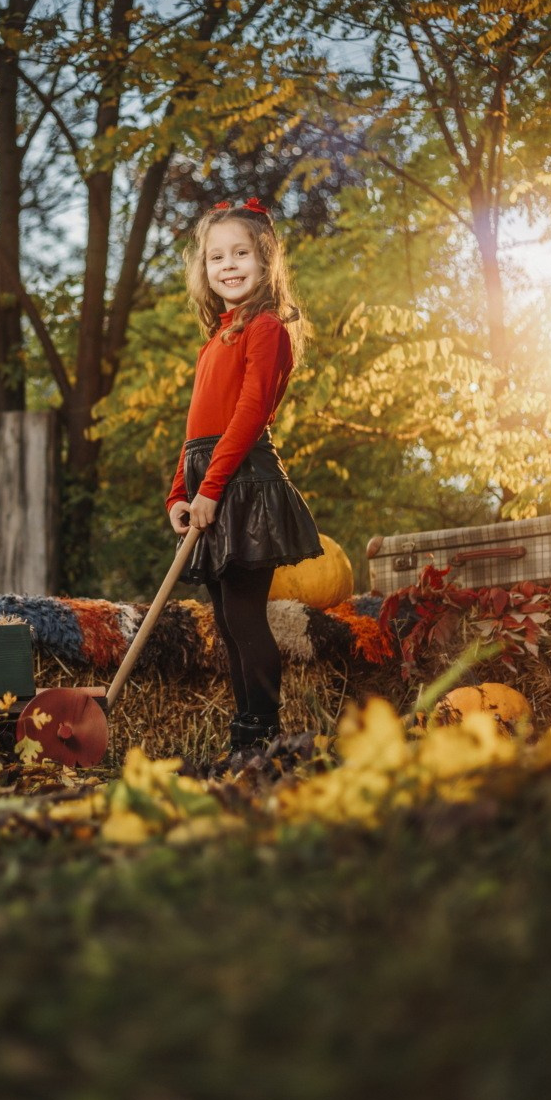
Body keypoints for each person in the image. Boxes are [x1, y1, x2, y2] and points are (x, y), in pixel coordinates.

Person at [166, 197, 322, 761]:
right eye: (215, 257)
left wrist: (213, 489)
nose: (228, 265)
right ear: (204, 269)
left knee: (243, 613)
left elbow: (250, 413)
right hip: (210, 477)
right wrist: (181, 493)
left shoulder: (265, 327)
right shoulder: (219, 335)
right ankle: (247, 736)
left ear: (265, 260)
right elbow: (196, 429)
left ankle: (263, 734)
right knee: (226, 623)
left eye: (240, 254)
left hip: (245, 483)